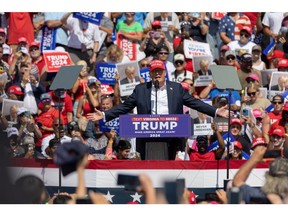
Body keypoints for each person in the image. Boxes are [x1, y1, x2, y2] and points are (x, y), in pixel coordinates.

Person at [87, 59, 230, 160]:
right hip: (146, 136)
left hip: (172, 136)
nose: (157, 74)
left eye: (159, 71)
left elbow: (195, 103)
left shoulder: (176, 88)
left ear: (164, 73)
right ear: (149, 74)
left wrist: (216, 112)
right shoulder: (141, 89)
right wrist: (105, 115)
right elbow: (126, 106)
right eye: (154, 71)